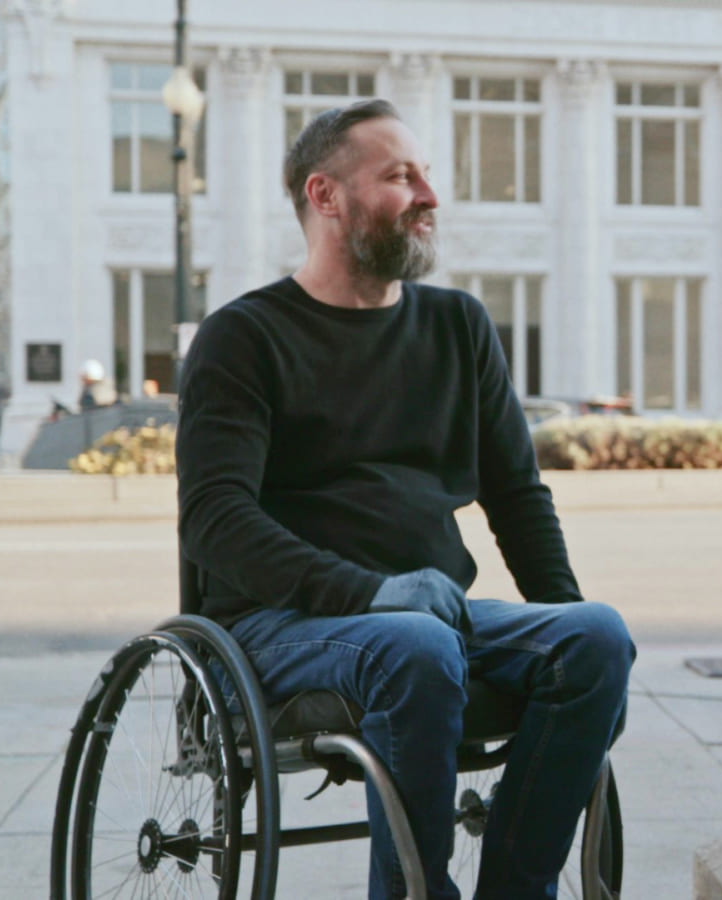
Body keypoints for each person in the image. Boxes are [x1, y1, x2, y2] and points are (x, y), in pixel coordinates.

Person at [177, 98, 635, 900]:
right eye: (400, 176)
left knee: (597, 637)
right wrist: (373, 593)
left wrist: (571, 645)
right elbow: (215, 521)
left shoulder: (458, 326)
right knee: (413, 647)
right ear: (326, 197)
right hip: (283, 626)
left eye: (426, 175)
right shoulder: (244, 337)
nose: (429, 195)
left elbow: (518, 497)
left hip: (431, 619)